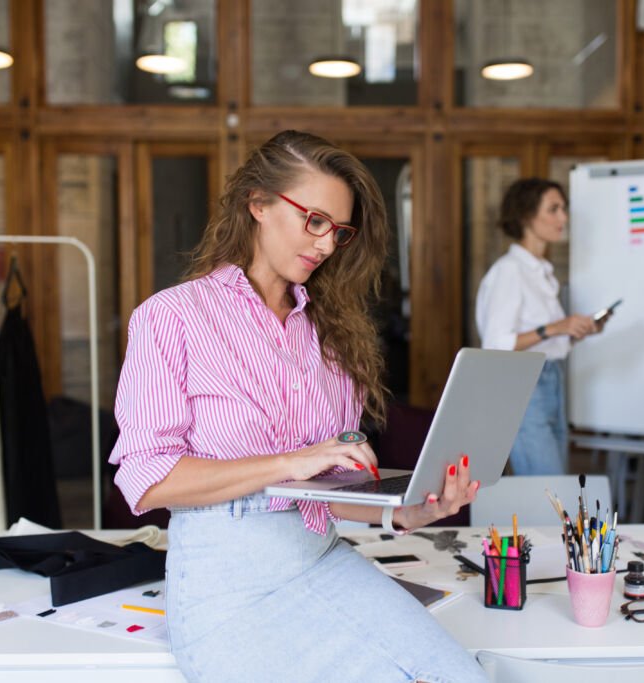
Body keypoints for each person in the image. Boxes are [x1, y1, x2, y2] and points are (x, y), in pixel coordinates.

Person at [109, 130, 488, 683]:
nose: (327, 245)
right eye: (314, 221)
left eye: (338, 231)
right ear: (257, 205)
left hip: (322, 559)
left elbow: (323, 497)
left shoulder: (331, 336)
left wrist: (410, 512)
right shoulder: (171, 318)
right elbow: (147, 479)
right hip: (229, 590)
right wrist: (291, 461)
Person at [475, 178, 603, 475]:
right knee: (547, 484)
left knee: (551, 482)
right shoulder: (509, 271)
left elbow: (546, 339)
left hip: (551, 377)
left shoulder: (541, 272)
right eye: (554, 209)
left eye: (564, 208)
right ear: (526, 216)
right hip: (526, 383)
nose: (564, 217)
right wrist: (556, 327)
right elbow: (496, 344)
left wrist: (574, 332)